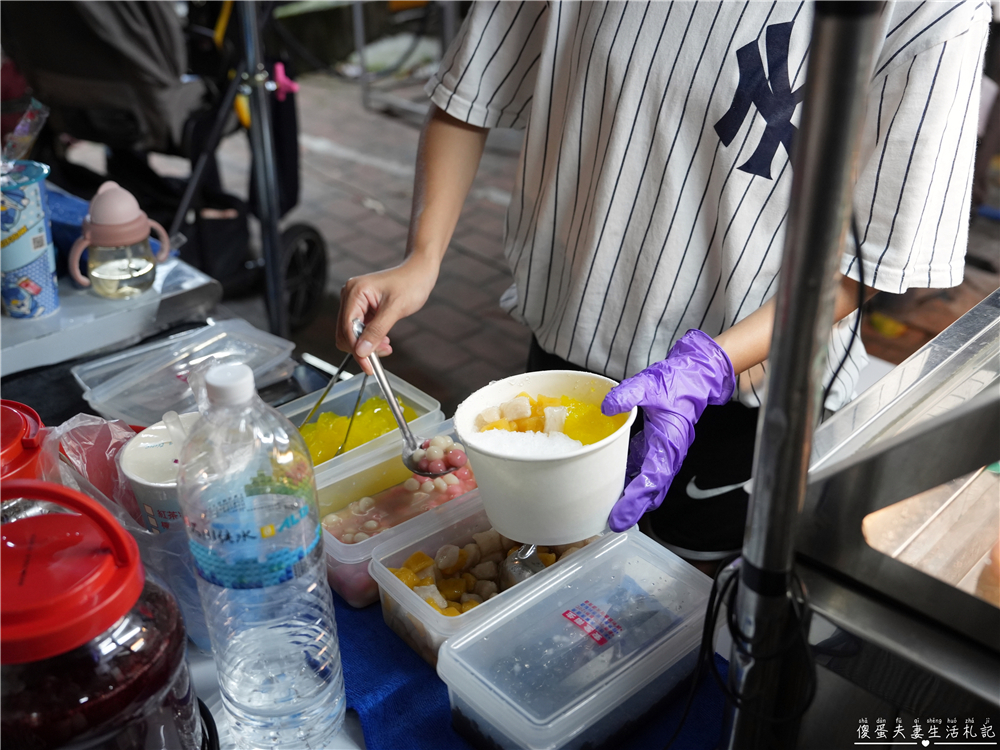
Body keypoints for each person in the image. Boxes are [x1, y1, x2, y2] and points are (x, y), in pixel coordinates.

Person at [336, 1, 990, 568]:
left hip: (746, 394)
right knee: (555, 574)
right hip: (571, 353)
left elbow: (872, 255)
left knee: (690, 604)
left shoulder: (933, 11)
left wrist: (711, 365)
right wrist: (421, 257)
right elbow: (472, 86)